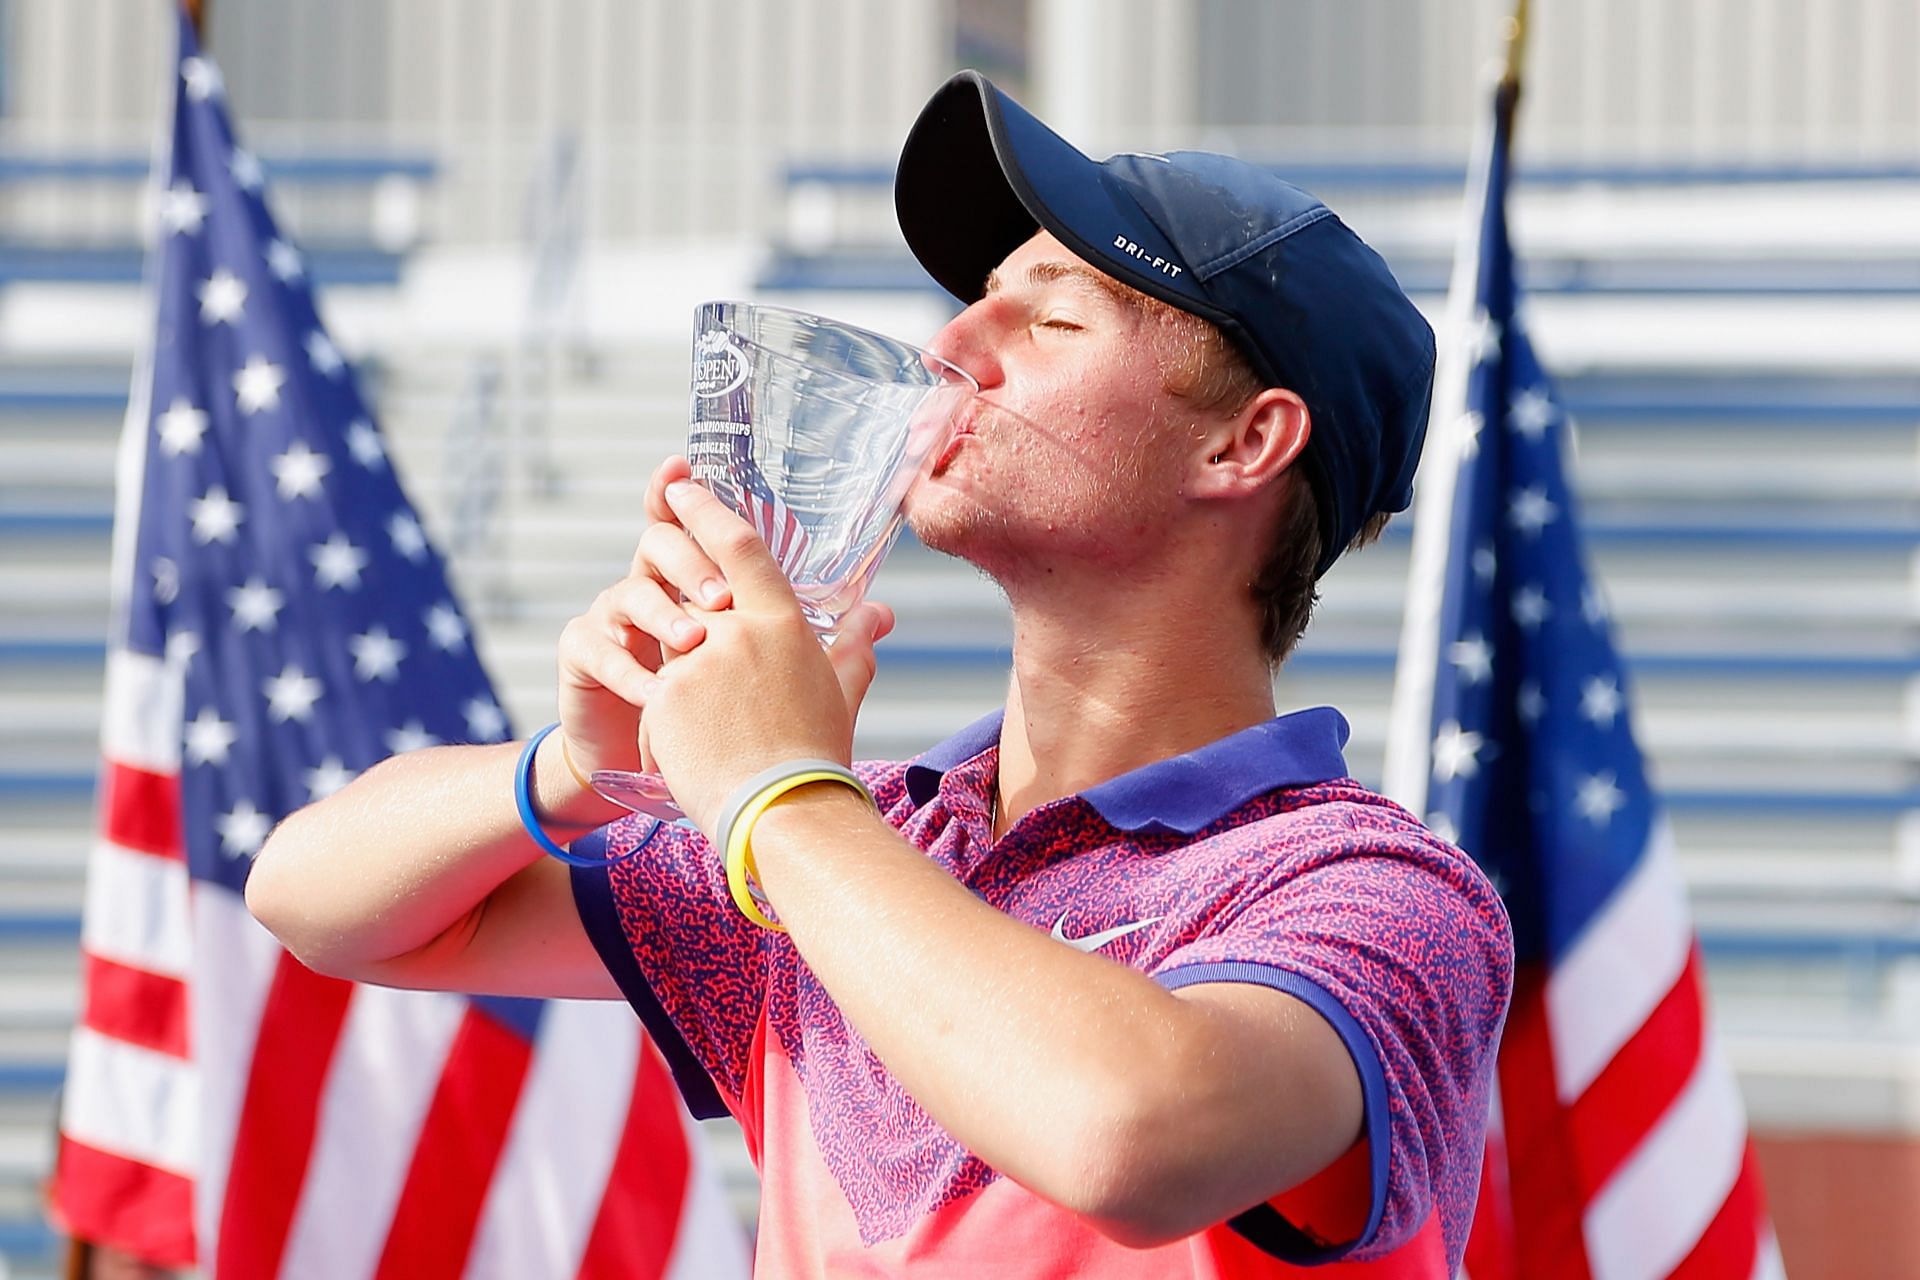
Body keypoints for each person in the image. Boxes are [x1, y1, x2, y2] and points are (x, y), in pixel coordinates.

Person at [248, 72, 1511, 1278]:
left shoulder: (1381, 892)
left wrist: (776, 793)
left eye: (1052, 314)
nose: (954, 340)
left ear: (1247, 441)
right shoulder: (854, 845)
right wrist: (580, 768)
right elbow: (313, 895)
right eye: (976, 298)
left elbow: (1131, 1134)